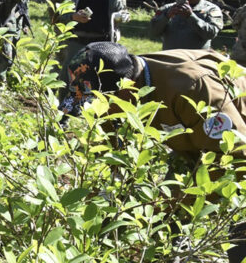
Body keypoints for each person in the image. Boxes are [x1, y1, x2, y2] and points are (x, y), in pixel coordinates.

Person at [60, 41, 246, 262]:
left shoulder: (191, 88)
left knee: (239, 242)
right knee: (163, 225)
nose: (95, 109)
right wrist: (109, 197)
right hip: (196, 144)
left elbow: (235, 160)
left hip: (235, 147)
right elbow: (117, 147)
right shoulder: (120, 84)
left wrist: (171, 205)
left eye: (99, 101)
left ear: (127, 88)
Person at [58, 0, 129, 80]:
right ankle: (63, 100)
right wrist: (74, 16)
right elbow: (61, 13)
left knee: (97, 81)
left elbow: (118, 13)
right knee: (68, 79)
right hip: (77, 43)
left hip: (102, 46)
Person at [149, 0, 223, 50]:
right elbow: (153, 32)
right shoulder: (168, 8)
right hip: (170, 59)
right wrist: (167, 16)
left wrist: (191, 16)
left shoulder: (211, 9)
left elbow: (211, 34)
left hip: (196, 60)